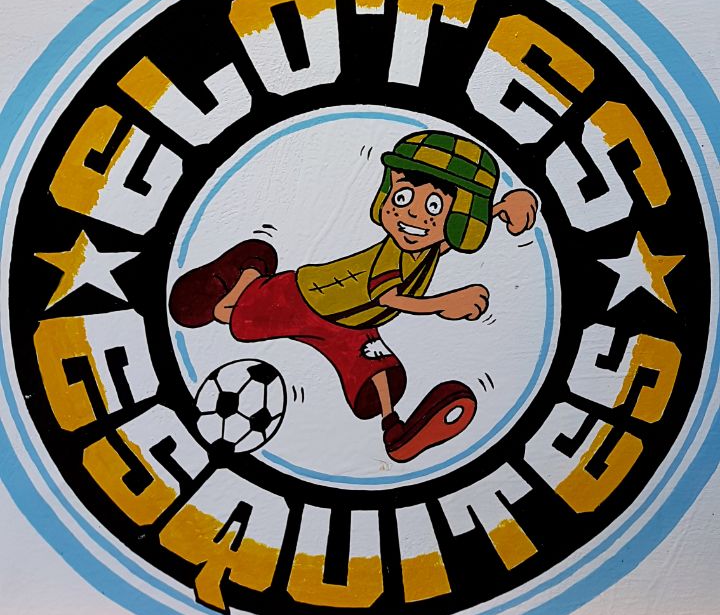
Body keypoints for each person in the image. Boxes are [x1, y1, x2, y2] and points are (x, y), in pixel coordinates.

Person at [169, 130, 537, 463]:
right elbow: (390, 298)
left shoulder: (428, 245)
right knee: (237, 320)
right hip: (304, 299)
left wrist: (501, 208)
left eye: (434, 207)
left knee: (379, 372)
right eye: (403, 197)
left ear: (458, 219)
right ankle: (248, 270)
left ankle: (394, 430)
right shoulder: (392, 255)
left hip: (355, 322)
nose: (412, 214)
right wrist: (441, 304)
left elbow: (449, 238)